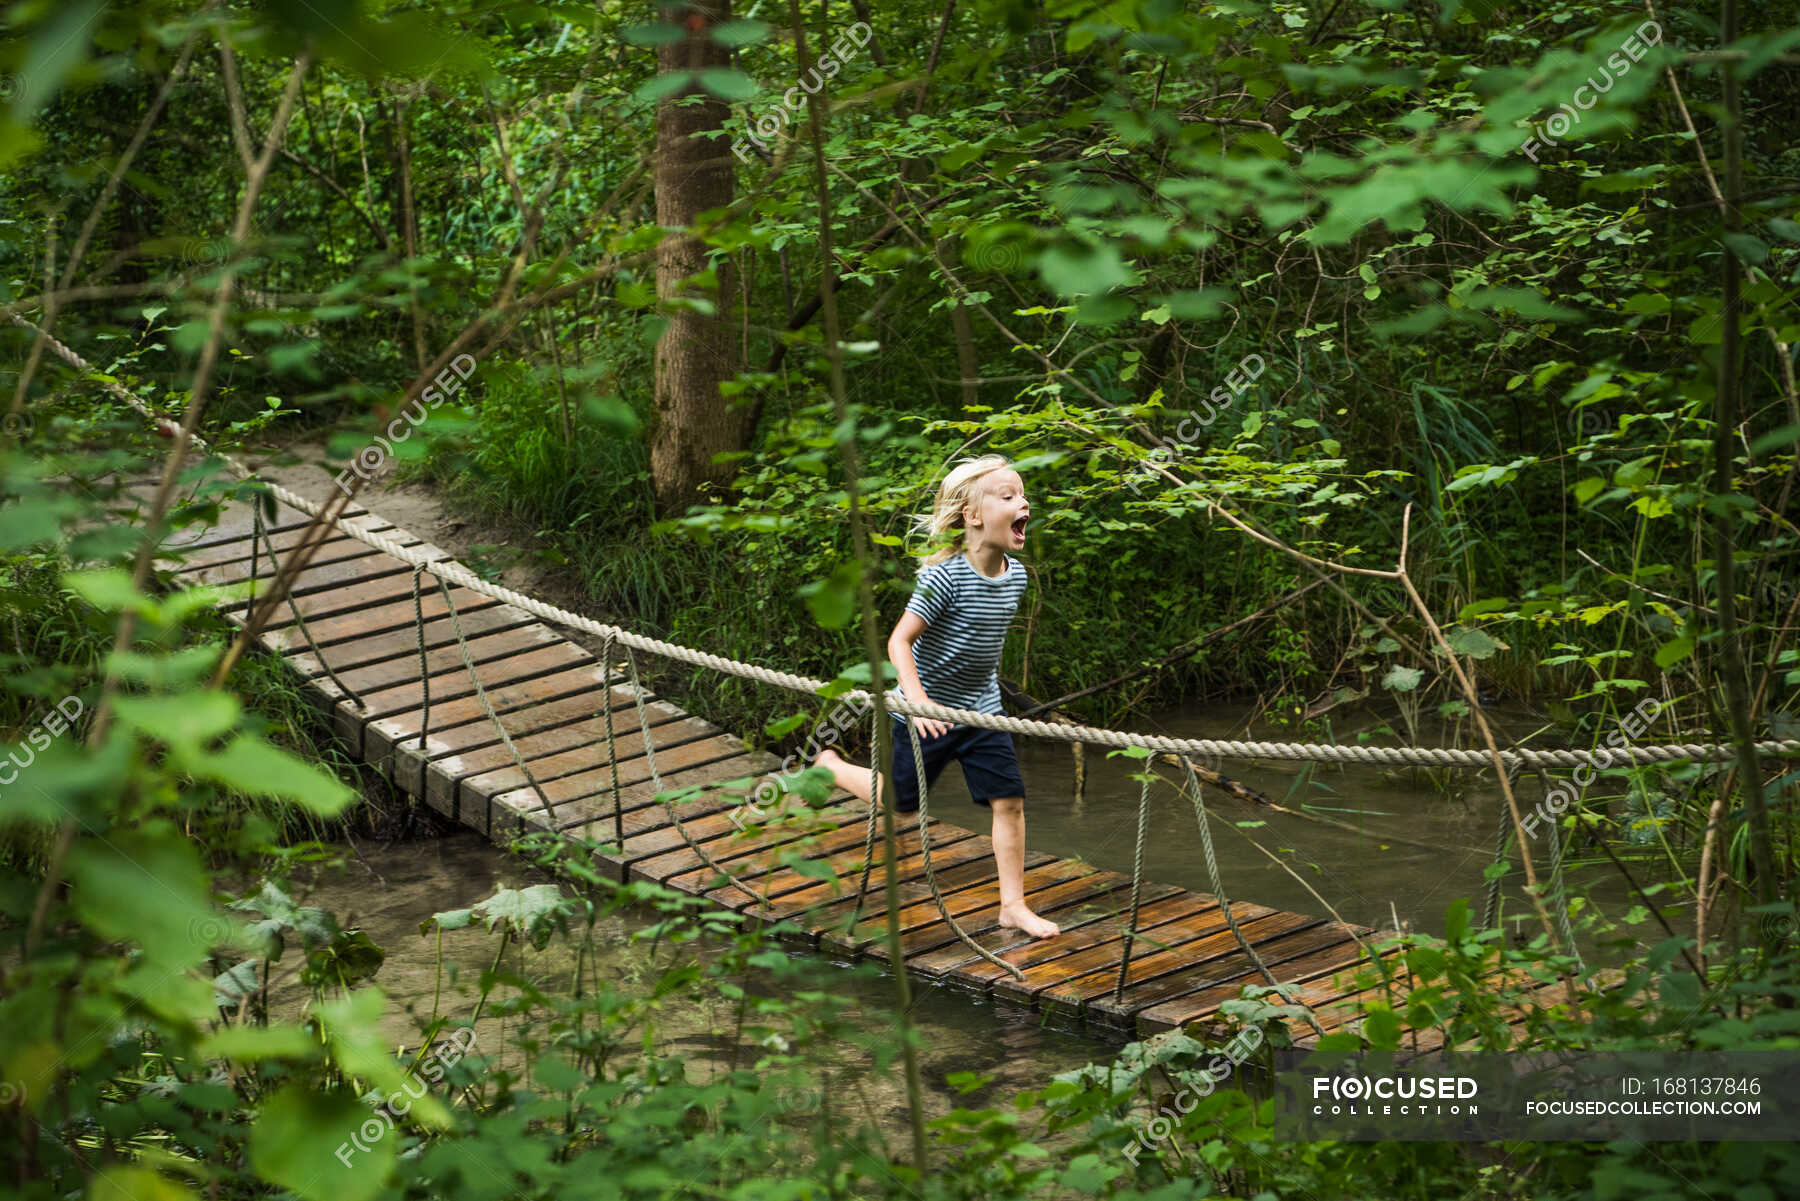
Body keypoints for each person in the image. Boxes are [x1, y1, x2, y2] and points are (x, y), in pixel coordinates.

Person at [813, 453, 1060, 939]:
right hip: (922, 711)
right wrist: (918, 701)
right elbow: (899, 641)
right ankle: (831, 767)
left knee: (1009, 802)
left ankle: (1012, 905)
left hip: (983, 712)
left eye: (1023, 495)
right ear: (972, 516)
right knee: (901, 804)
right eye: (1008, 496)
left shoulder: (1014, 577)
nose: (1023, 502)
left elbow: (981, 644)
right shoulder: (943, 577)